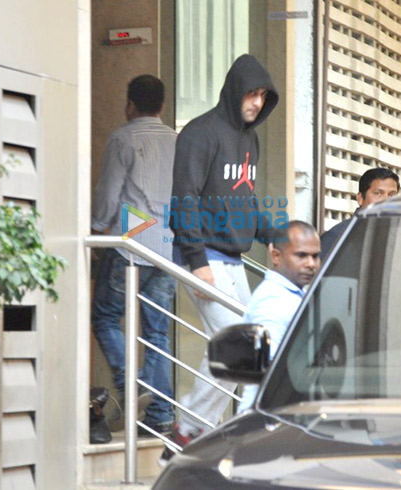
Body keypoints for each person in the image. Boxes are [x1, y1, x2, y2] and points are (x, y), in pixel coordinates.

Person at [160, 54, 279, 463]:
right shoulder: (200, 134)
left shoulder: (249, 140)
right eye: (251, 93)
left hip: (232, 258)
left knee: (249, 354)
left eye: (263, 95)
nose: (257, 102)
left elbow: (244, 200)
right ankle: (188, 430)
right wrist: (196, 260)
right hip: (203, 255)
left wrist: (277, 237)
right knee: (241, 350)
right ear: (234, 91)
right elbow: (184, 198)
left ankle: (189, 432)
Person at [91, 75, 177, 435]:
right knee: (157, 331)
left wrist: (96, 229)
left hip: (131, 242)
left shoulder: (122, 138)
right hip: (170, 248)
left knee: (106, 316)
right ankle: (159, 414)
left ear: (130, 104)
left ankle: (133, 383)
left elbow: (109, 193)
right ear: (161, 106)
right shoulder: (178, 140)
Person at [238, 221, 321, 412]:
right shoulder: (273, 301)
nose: (311, 263)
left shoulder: (294, 294)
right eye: (301, 255)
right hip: (268, 419)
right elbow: (271, 371)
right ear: (276, 256)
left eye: (315, 256)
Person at [320, 167, 400, 260]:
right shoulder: (338, 237)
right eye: (377, 193)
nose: (386, 200)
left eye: (392, 195)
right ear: (360, 198)